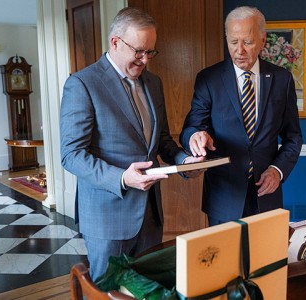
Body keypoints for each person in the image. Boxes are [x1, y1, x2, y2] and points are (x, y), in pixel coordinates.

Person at [60, 7, 203, 280]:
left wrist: (184, 161)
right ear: (115, 42)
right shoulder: (82, 84)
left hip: (150, 215)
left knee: (147, 291)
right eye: (139, 51)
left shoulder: (154, 83)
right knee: (106, 293)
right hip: (107, 218)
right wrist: (122, 178)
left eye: (150, 52)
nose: (145, 60)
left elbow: (160, 140)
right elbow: (71, 155)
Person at [180, 6, 303, 226]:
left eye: (247, 42)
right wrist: (194, 137)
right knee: (225, 261)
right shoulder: (209, 79)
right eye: (233, 42)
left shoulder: (282, 79)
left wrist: (277, 171)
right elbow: (190, 128)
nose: (239, 51)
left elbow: (293, 138)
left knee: (266, 261)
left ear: (263, 40)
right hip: (223, 196)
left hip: (267, 195)